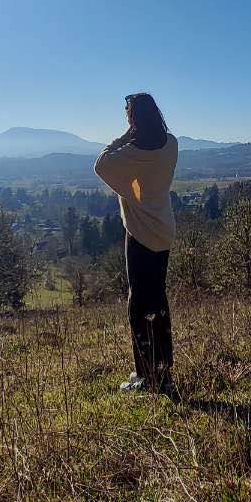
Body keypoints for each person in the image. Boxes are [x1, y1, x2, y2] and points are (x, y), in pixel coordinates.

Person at [94, 93, 178, 394]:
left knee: (138, 304)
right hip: (164, 230)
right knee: (158, 300)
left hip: (141, 233)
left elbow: (101, 164)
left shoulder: (132, 152)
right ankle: (163, 372)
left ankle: (146, 375)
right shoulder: (171, 144)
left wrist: (122, 137)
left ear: (134, 119)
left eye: (129, 114)